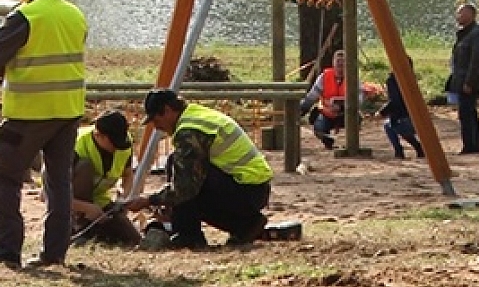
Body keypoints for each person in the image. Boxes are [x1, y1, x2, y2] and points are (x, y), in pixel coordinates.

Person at [0, 0, 87, 268]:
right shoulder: (74, 14)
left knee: (4, 177)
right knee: (60, 184)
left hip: (28, 114)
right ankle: (54, 254)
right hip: (67, 112)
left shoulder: (25, 16)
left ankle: (8, 251)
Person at [126, 89, 273, 249]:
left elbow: (186, 187)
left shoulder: (189, 131)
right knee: (175, 163)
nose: (156, 127)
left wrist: (150, 200)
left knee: (183, 173)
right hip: (253, 188)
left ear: (167, 110)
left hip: (245, 190)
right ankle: (245, 225)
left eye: (156, 119)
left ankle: (188, 236)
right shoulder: (196, 115)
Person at [71, 110, 141, 246]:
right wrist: (87, 208)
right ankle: (76, 227)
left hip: (102, 205)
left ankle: (94, 232)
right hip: (70, 207)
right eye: (113, 142)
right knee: (85, 166)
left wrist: (123, 198)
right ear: (99, 135)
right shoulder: (75, 145)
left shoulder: (124, 143)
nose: (117, 147)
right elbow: (49, 195)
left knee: (132, 238)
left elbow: (127, 174)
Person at [299, 49, 362, 150]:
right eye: (338, 63)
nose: (340, 67)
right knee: (319, 127)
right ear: (333, 63)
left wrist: (343, 105)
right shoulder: (324, 77)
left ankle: (351, 145)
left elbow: (359, 100)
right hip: (327, 113)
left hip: (347, 113)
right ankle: (329, 143)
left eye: (343, 63)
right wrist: (301, 110)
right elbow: (311, 96)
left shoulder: (353, 78)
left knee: (356, 119)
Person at [447, 3, 479, 154]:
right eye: (457, 13)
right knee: (466, 113)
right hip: (461, 80)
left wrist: (469, 82)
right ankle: (471, 145)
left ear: (471, 15)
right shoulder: (463, 34)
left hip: (469, 82)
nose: (458, 16)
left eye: (461, 13)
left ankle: (472, 146)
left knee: (468, 113)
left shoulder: (477, 35)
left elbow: (477, 61)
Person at [377, 56, 424, 160]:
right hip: (418, 119)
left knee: (391, 125)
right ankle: (416, 148)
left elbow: (395, 102)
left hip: (404, 120)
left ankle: (400, 150)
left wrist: (381, 112)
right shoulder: (412, 78)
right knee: (389, 125)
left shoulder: (392, 80)